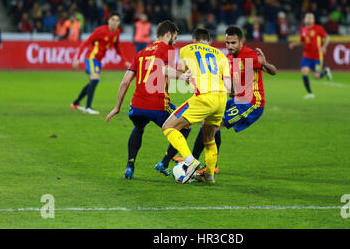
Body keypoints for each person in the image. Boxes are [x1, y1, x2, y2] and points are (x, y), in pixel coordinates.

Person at [162, 25, 278, 175]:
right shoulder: (227, 58)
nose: (229, 46)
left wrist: (264, 63)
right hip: (236, 99)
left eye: (233, 43)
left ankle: (196, 163)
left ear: (241, 42)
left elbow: (273, 72)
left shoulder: (250, 55)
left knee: (212, 127)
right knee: (208, 124)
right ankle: (207, 166)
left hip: (252, 102)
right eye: (227, 43)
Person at [105, 20, 191, 179]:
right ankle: (164, 163)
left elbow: (125, 82)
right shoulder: (167, 49)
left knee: (139, 127)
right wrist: (182, 76)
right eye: (175, 37)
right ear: (168, 34)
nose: (175, 41)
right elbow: (164, 69)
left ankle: (130, 165)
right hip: (158, 105)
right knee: (186, 125)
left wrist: (117, 107)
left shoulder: (140, 53)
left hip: (136, 106)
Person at [161, 28, 232, 184]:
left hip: (203, 97)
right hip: (221, 99)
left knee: (168, 126)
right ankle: (209, 176)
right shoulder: (221, 55)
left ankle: (190, 161)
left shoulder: (187, 49)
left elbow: (188, 76)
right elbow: (228, 84)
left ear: (194, 40)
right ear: (209, 41)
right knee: (209, 137)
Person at [71, 12, 124, 114]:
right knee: (95, 79)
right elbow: (85, 43)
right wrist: (77, 58)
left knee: (93, 81)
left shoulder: (117, 32)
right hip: (91, 57)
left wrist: (125, 60)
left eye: (117, 20)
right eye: (112, 20)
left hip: (98, 61)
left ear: (119, 22)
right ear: (108, 21)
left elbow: (117, 47)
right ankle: (88, 108)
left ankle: (75, 103)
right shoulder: (100, 31)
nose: (114, 22)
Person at [288, 12, 332, 99]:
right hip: (306, 55)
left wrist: (324, 46)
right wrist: (294, 44)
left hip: (317, 56)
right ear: (305, 20)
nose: (308, 19)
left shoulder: (318, 28)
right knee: (304, 72)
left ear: (313, 20)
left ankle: (326, 71)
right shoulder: (303, 30)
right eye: (307, 18)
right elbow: (302, 41)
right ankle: (310, 93)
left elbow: (327, 38)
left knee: (316, 76)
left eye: (310, 18)